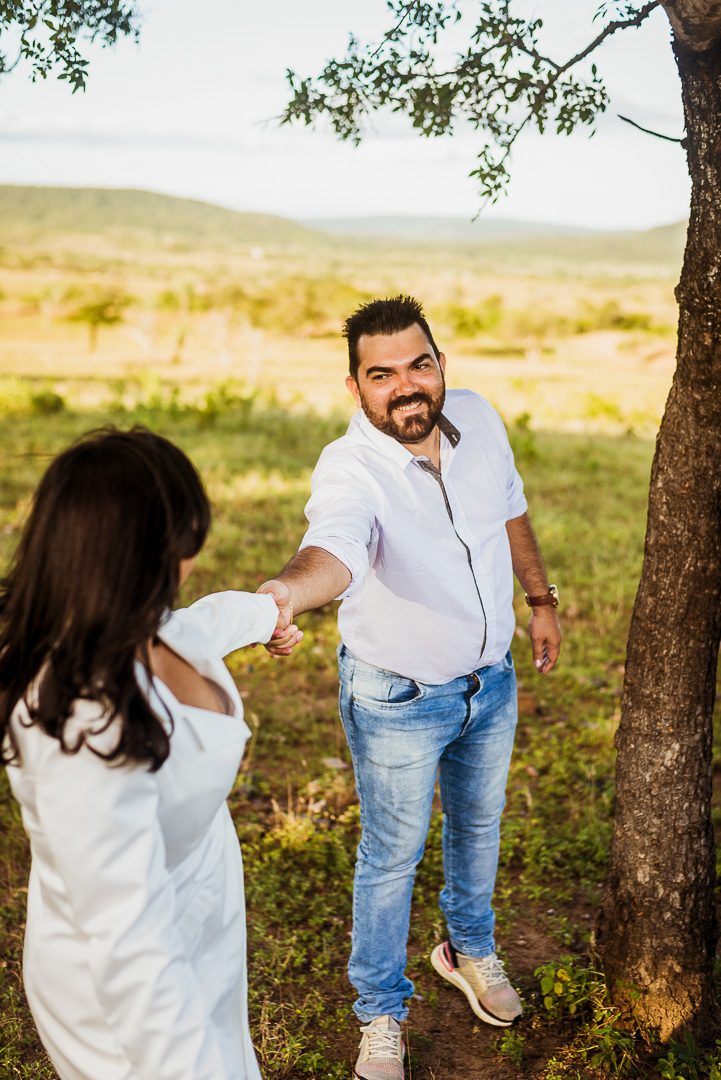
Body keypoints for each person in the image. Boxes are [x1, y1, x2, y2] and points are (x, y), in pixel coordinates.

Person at [260, 295, 561, 1080]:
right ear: (355, 387)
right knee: (391, 857)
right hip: (396, 697)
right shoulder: (349, 467)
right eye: (381, 373)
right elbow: (333, 546)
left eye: (418, 365)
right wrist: (287, 594)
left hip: (489, 683)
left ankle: (466, 950)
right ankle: (380, 1014)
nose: (406, 386)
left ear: (440, 366)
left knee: (479, 826)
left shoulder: (479, 419)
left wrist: (538, 600)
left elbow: (510, 511)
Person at [0, 427, 300, 1080]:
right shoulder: (81, 720)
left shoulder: (130, 622)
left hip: (197, 917)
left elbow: (198, 627)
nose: (193, 555)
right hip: (127, 996)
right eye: (186, 539)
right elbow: (129, 947)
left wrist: (265, 612)